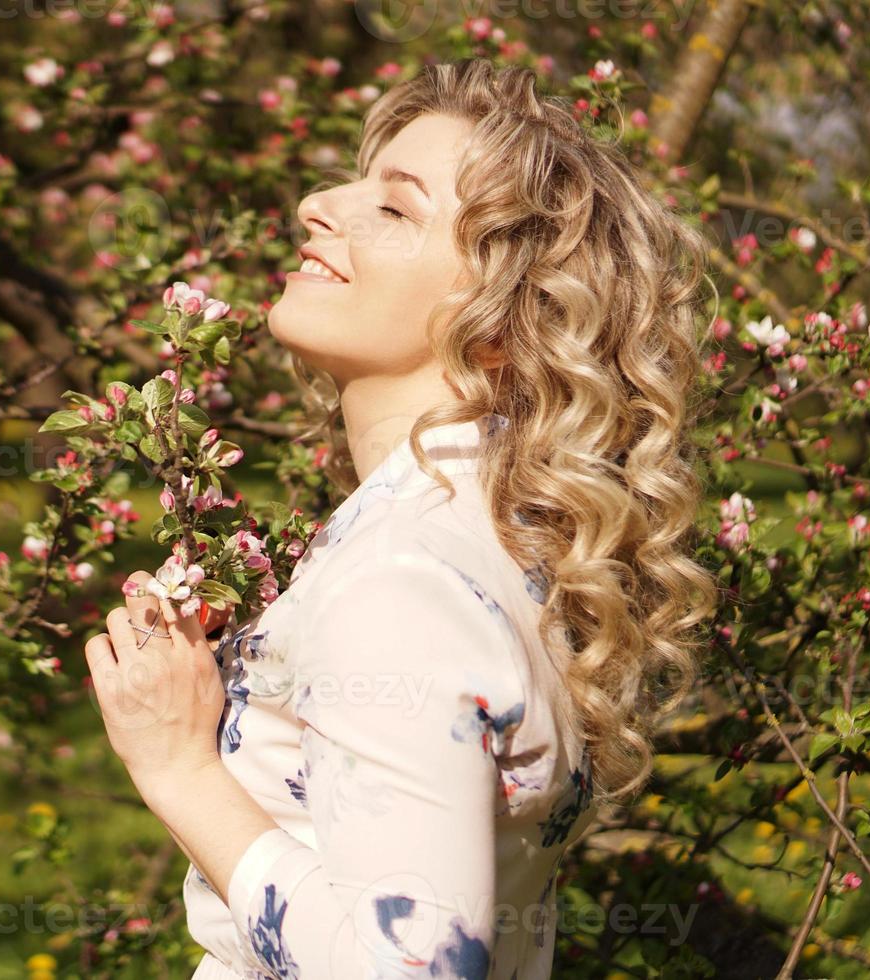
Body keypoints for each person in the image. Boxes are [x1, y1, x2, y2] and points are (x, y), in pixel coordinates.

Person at [84, 57, 717, 979]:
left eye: (396, 207)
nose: (315, 202)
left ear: (503, 318)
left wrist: (178, 766)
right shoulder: (499, 544)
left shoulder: (400, 581)